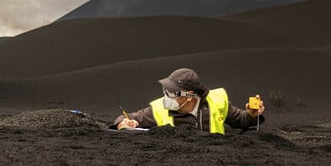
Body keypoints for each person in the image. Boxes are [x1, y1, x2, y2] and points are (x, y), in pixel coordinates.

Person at [112, 68, 265, 134]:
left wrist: (251, 114)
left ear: (189, 95)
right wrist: (123, 122)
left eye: (172, 93)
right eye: (166, 91)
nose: (167, 96)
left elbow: (241, 120)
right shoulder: (159, 109)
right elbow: (130, 118)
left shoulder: (217, 101)